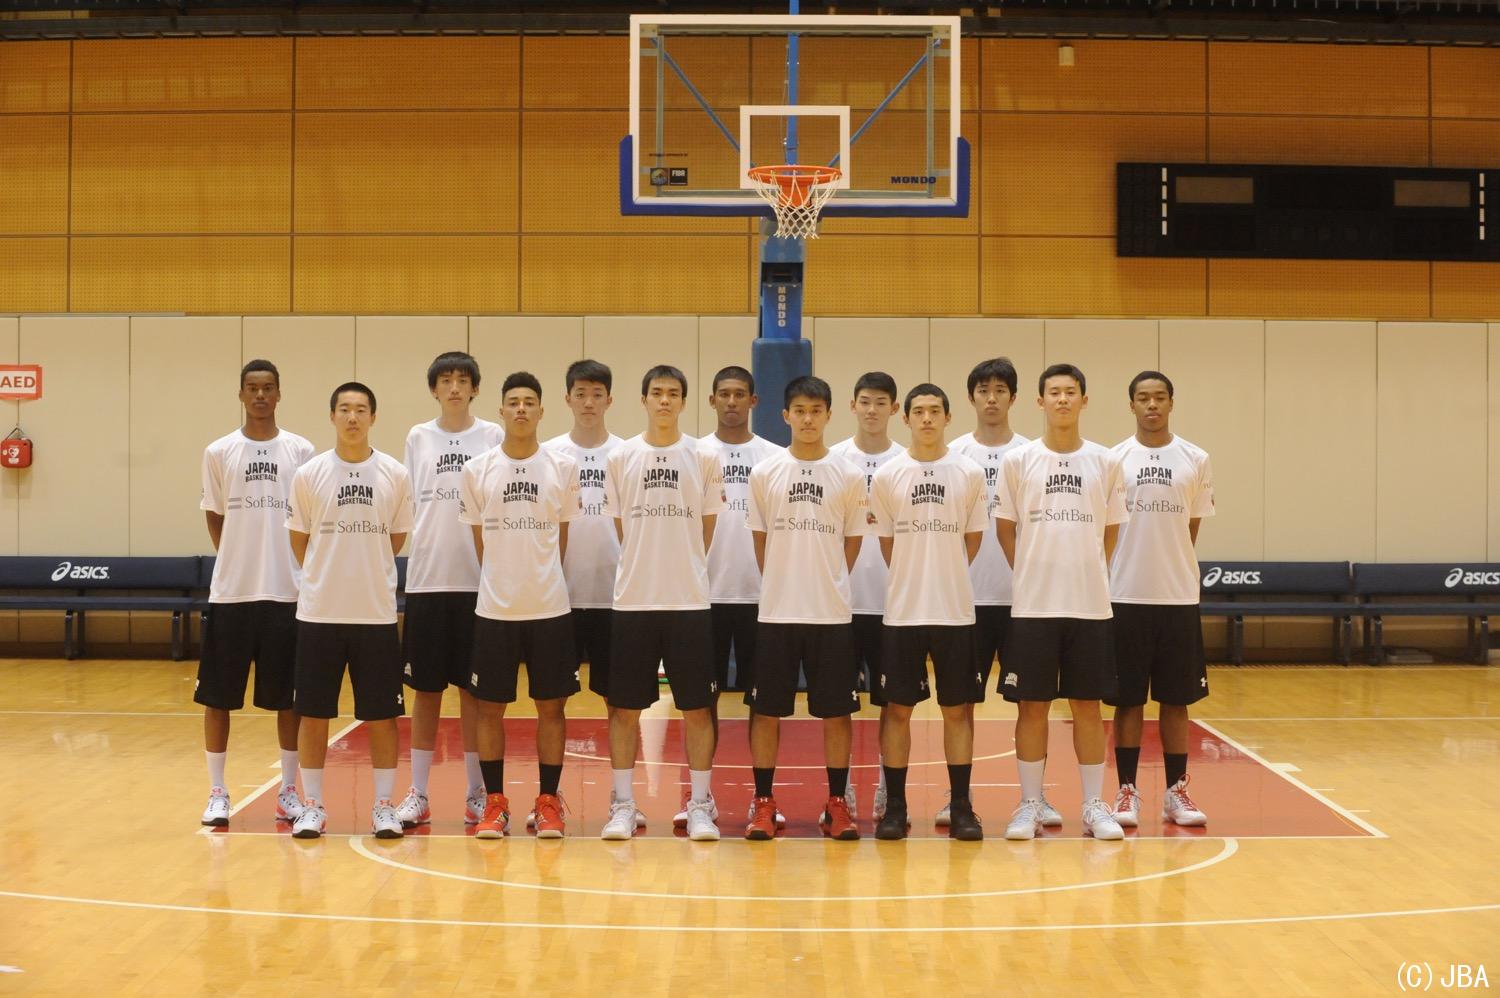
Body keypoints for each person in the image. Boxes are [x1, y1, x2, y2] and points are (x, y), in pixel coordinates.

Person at [994, 363, 1128, 841]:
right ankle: (1030, 803)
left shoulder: (1106, 462)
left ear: (1084, 400)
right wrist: (1033, 571)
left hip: (1089, 606)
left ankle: (1093, 805)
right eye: (1054, 392)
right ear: (1040, 401)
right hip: (1034, 607)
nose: (1063, 399)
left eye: (1071, 392)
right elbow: (1005, 529)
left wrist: (1086, 570)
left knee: (1087, 706)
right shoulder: (1019, 461)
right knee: (1031, 707)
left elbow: (1110, 531)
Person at [599, 365, 725, 841]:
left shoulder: (704, 457)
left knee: (698, 708)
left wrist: (681, 566)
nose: (665, 400)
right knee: (623, 710)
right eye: (657, 392)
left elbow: (707, 528)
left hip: (688, 602)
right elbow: (622, 528)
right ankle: (623, 805)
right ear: (644, 400)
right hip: (634, 601)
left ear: (684, 402)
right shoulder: (621, 457)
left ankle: (700, 805)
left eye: (673, 393)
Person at [743, 376, 868, 841]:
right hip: (777, 612)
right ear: (785, 415)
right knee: (766, 712)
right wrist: (784, 580)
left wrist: (827, 581)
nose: (808, 418)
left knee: (837, 713)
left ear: (829, 415)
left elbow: (851, 542)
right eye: (800, 410)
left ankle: (836, 804)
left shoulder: (848, 475)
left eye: (816, 410)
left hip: (830, 614)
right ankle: (763, 801)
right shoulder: (765, 473)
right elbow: (760, 541)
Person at [287, 383, 413, 839]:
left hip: (375, 613)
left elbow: (395, 538)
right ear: (332, 416)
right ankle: (313, 806)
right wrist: (329, 574)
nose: (353, 417)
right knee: (313, 713)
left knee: (382, 715)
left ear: (373, 417)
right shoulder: (309, 474)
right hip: (320, 613)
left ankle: (383, 805)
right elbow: (299, 540)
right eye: (344, 409)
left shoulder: (395, 474)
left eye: (361, 410)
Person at [460, 371, 581, 838]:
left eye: (530, 402)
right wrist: (504, 580)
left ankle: (548, 802)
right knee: (489, 710)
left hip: (550, 609)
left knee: (552, 709)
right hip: (495, 611)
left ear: (542, 410)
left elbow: (561, 539)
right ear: (501, 410)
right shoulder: (477, 470)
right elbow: (480, 543)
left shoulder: (562, 467)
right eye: (513, 402)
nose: (522, 409)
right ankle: (494, 803)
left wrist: (539, 577)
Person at [196, 360, 315, 827]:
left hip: (287, 593)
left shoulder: (301, 450)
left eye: (268, 388)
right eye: (252, 388)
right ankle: (217, 791)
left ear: (279, 394)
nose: (260, 395)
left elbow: (307, 519)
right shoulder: (219, 451)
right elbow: (214, 514)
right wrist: (237, 558)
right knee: (218, 698)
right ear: (241, 394)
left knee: (289, 700)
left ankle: (288, 791)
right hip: (233, 593)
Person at [868, 383, 989, 841]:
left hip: (955, 612)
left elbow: (973, 540)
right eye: (918, 411)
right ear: (906, 419)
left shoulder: (969, 473)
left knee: (956, 711)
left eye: (934, 411)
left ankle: (961, 807)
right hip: (903, 613)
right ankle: (896, 808)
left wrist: (945, 573)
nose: (926, 418)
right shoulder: (888, 476)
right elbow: (887, 544)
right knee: (897, 711)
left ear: (948, 417)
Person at [949, 358, 1062, 831]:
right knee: (960, 705)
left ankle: (1033, 798)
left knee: (1033, 704)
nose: (991, 398)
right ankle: (959, 800)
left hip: (1023, 603)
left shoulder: (1032, 455)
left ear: (1014, 398)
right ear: (971, 398)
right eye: (983, 390)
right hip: (965, 602)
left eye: (1000, 390)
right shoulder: (953, 455)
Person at [396, 352, 504, 829]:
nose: (455, 387)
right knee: (426, 692)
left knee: (474, 693)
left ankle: (477, 793)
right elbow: (408, 505)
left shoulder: (492, 436)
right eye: (446, 380)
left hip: (480, 582)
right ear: (434, 389)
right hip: (429, 579)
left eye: (463, 380)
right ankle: (418, 793)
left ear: (476, 388)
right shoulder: (418, 437)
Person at [1108, 370, 1214, 828]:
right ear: (1131, 404)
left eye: (1159, 397)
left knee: (1176, 700)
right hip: (1123, 594)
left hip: (1177, 596)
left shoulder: (1195, 458)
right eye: (1143, 398)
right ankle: (1126, 791)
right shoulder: (1113, 459)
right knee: (1127, 701)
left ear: (1171, 402)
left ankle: (1176, 792)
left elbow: (1192, 526)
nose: (1151, 405)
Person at [543, 359, 638, 826]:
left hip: (616, 600)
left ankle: (623, 800)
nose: (588, 402)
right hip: (557, 600)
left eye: (597, 394)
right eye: (580, 393)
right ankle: (548, 798)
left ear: (609, 400)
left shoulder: (628, 454)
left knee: (620, 704)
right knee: (551, 704)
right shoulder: (546, 455)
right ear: (567, 399)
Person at [698, 365, 780, 825]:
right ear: (712, 400)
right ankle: (701, 798)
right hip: (703, 598)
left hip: (761, 598)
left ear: (753, 401)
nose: (731, 401)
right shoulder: (693, 454)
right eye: (724, 394)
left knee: (762, 704)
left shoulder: (774, 458)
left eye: (739, 394)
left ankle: (762, 798)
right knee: (701, 703)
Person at [828, 371, 904, 820]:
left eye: (880, 402)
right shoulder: (834, 460)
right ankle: (842, 792)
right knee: (839, 704)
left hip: (894, 605)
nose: (872, 410)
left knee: (892, 704)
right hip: (842, 604)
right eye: (864, 401)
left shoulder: (907, 461)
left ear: (894, 409)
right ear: (853, 406)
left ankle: (885, 787)